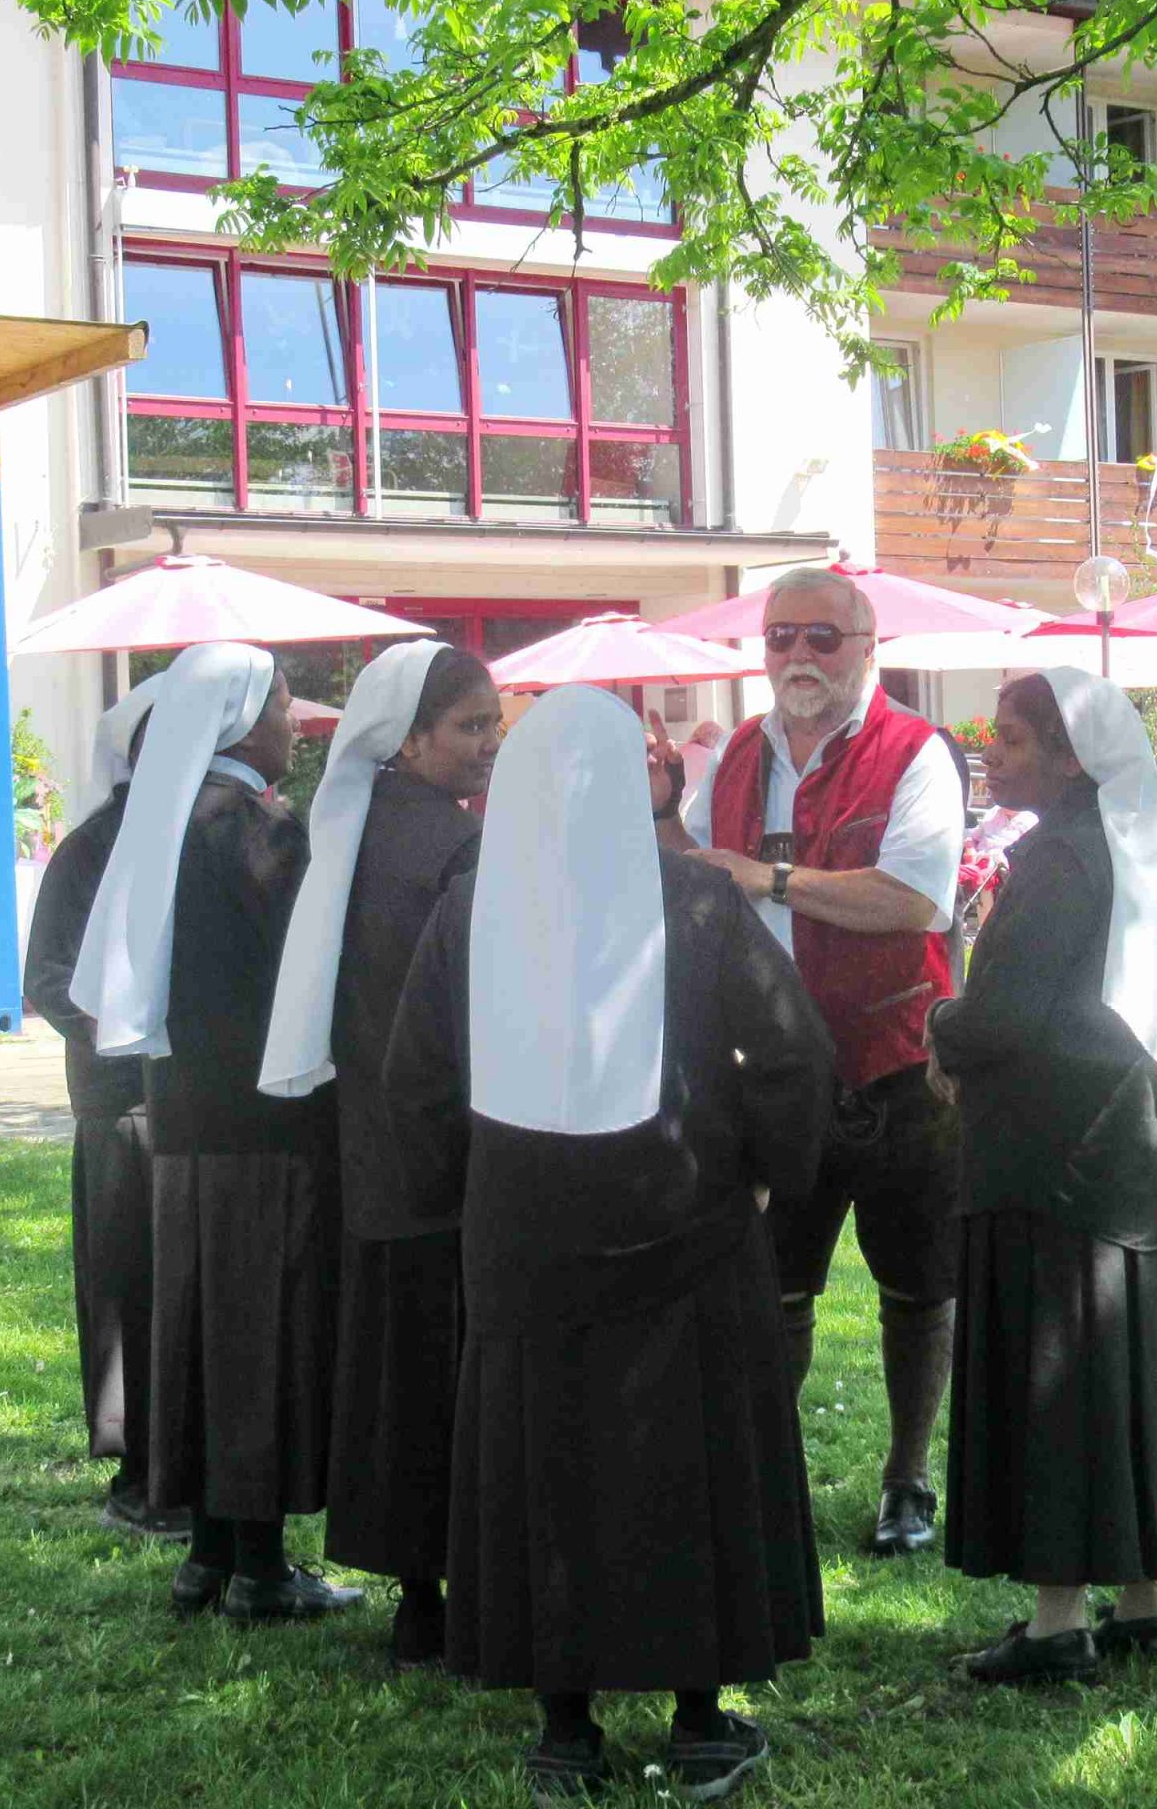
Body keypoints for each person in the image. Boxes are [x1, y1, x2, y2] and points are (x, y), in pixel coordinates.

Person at [386, 686, 833, 1803]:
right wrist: (772, 1170)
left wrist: (455, 1193)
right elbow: (791, 1053)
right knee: (691, 1465)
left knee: (548, 1468)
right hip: (686, 1224)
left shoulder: (471, 909)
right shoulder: (696, 900)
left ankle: (565, 1729)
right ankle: (698, 1722)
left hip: (526, 1240)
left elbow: (417, 1084)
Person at [927, 668, 1157, 1686]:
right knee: (1130, 1369)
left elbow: (1007, 1014)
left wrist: (941, 1025)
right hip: (1129, 1150)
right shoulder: (1127, 842)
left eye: (1012, 738)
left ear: (1070, 758)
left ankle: (1057, 1623)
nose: (991, 753)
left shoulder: (1062, 858)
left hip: (1055, 1161)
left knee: (1063, 1376)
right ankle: (1142, 1604)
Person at [659, 565, 967, 1558]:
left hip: (896, 1066)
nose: (797, 654)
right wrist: (661, 813)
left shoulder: (915, 751)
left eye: (821, 638)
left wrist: (771, 878)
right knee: (774, 1282)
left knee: (917, 1286)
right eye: (781, 636)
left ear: (867, 648)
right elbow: (695, 876)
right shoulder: (736, 753)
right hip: (771, 1067)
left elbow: (914, 898)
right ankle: (769, 1471)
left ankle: (907, 1479)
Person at [71, 642, 360, 1625]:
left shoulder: (163, 823)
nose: (295, 723)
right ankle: (262, 1568)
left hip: (183, 1119)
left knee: (197, 1334)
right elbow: (312, 970)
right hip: (265, 1123)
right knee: (259, 1338)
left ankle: (206, 1550)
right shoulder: (253, 831)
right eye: (282, 705)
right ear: (240, 719)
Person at [257, 640, 500, 1670]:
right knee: (452, 1369)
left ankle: (416, 1595)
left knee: (393, 1372)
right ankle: (464, 1588)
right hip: (450, 1143)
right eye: (471, 726)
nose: (490, 744)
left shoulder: (342, 830)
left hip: (368, 1137)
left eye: (494, 724)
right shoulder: (456, 845)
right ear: (409, 739)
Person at [23, 675, 175, 1533]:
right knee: (128, 1289)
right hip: (123, 1106)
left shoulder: (190, 837)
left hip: (187, 1105)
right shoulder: (91, 850)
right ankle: (136, 1473)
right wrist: (127, 1028)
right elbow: (48, 976)